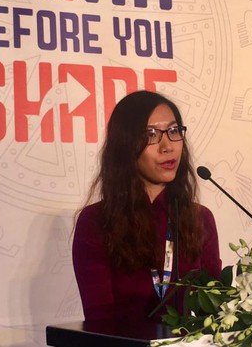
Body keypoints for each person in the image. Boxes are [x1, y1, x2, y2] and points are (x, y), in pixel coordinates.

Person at [72, 90, 221, 323]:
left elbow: (214, 311)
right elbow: (99, 318)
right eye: (151, 135)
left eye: (173, 131)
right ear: (126, 146)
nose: (167, 146)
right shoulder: (96, 221)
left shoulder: (199, 218)